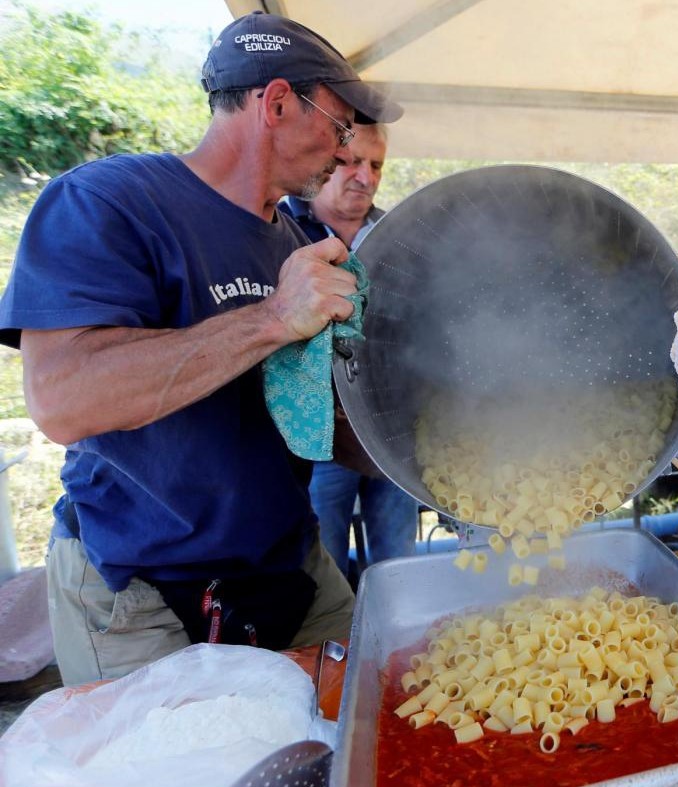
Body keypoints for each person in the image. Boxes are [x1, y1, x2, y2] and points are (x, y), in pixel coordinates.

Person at [0, 11, 403, 684]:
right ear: (275, 103)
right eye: (338, 128)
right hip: (139, 586)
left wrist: (434, 452)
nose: (343, 154)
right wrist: (273, 316)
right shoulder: (109, 202)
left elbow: (320, 419)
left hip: (287, 566)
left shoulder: (300, 245)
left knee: (360, 726)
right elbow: (64, 400)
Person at [278, 124, 419, 578]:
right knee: (324, 564)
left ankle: (397, 643)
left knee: (399, 562)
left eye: (375, 165)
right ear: (323, 162)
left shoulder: (401, 235)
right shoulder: (280, 231)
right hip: (318, 440)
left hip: (394, 429)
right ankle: (339, 645)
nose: (365, 176)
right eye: (350, 161)